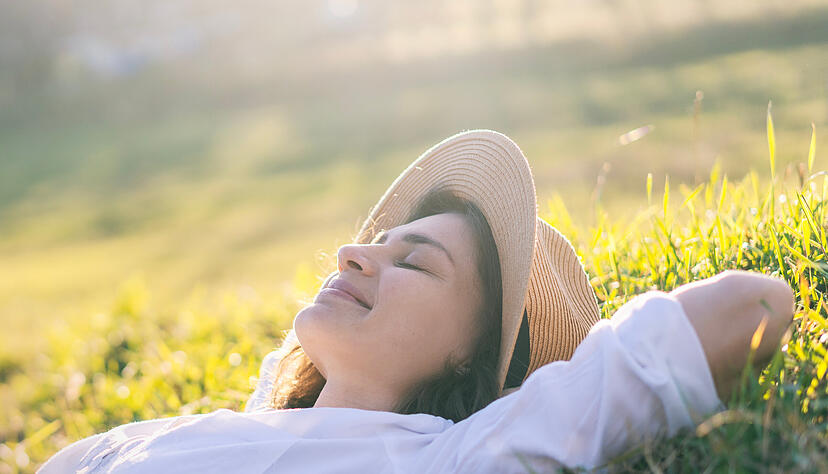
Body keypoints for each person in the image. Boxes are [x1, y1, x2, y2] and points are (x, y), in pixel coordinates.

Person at [40, 130, 794, 473]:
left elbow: (751, 307)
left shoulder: (449, 458)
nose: (353, 254)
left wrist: (533, 409)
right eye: (376, 242)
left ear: (477, 353)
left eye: (415, 263)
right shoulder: (217, 426)